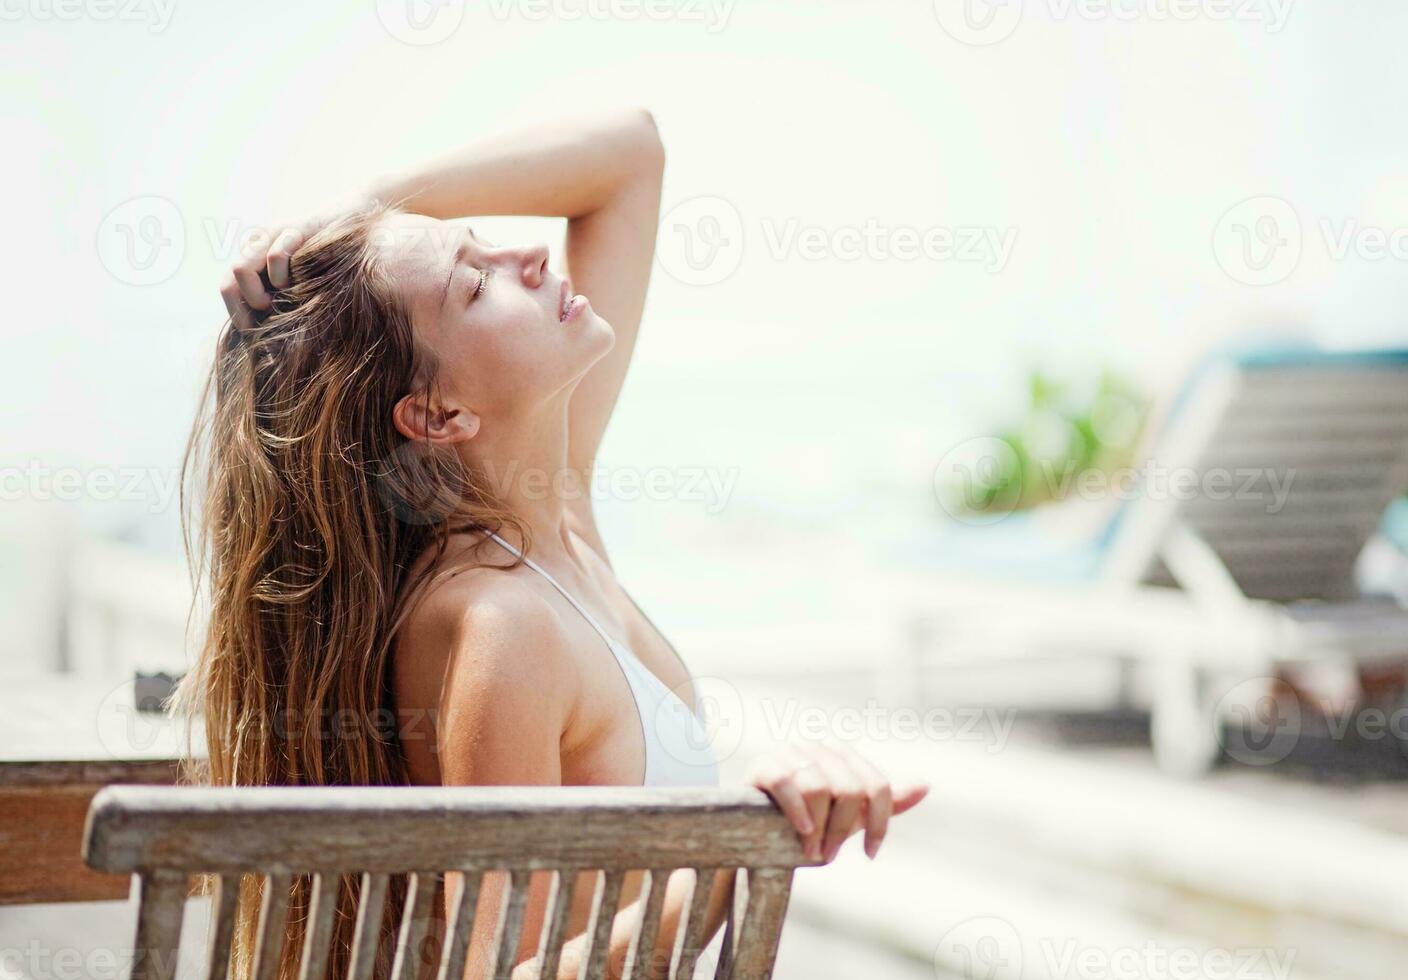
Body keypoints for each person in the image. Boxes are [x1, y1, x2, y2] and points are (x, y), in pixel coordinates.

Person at [187, 107, 927, 979]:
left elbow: (629, 154)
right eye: (474, 281)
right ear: (437, 414)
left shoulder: (552, 513)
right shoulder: (502, 624)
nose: (528, 255)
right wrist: (739, 845)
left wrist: (370, 204)